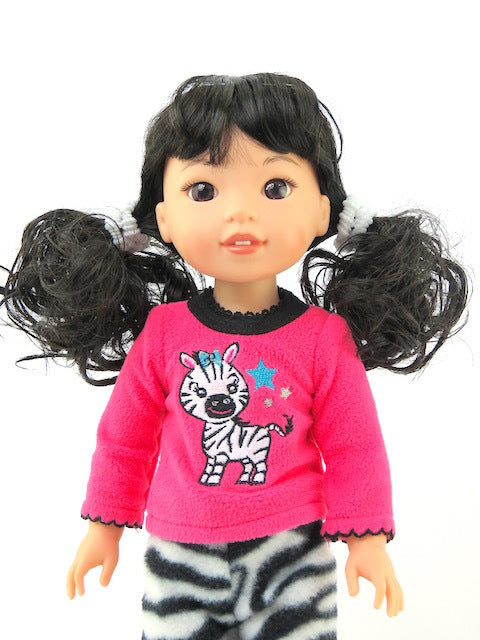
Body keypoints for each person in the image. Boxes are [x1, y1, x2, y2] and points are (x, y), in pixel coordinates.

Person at [0, 73, 468, 639]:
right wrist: (105, 524)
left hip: (292, 547)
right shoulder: (163, 333)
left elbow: (354, 444)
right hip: (180, 547)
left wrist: (365, 538)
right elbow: (125, 437)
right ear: (163, 217)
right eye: (203, 190)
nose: (240, 214)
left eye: (276, 187)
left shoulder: (323, 338)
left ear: (324, 212)